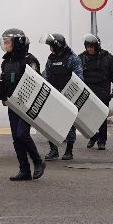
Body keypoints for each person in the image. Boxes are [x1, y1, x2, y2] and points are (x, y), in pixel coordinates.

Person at [0, 28, 46, 181]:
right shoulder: (6, 62)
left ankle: (38, 162)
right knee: (16, 138)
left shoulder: (30, 61)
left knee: (22, 134)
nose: (5, 45)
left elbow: (36, 83)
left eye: (8, 42)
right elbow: (2, 84)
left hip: (27, 106)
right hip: (12, 105)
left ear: (17, 42)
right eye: (5, 42)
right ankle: (24, 170)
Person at [40, 33, 83, 161]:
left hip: (67, 96)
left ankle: (69, 150)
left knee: (69, 124)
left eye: (52, 46)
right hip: (53, 96)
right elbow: (46, 77)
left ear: (57, 46)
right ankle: (53, 150)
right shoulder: (50, 60)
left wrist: (68, 94)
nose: (50, 49)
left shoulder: (72, 59)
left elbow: (79, 78)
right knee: (50, 123)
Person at [81, 34, 113, 151]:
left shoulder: (108, 58)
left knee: (102, 118)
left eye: (92, 47)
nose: (89, 49)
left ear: (97, 46)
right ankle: (93, 137)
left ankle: (102, 141)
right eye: (88, 47)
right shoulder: (81, 58)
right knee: (87, 117)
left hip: (102, 91)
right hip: (87, 92)